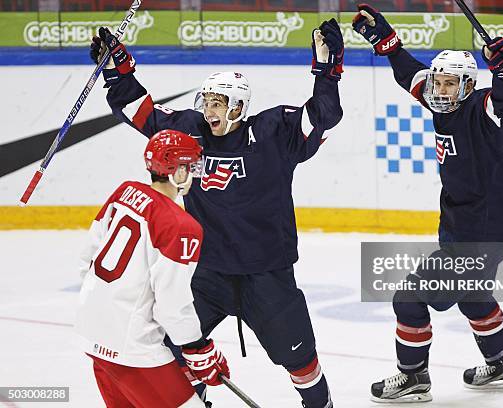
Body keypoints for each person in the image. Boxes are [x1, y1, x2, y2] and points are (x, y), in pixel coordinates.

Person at [88, 18, 344, 408]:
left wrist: (327, 72)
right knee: (172, 346)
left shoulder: (275, 133)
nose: (209, 110)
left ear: (238, 107)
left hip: (267, 272)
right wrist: (117, 68)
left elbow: (324, 115)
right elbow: (141, 113)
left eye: (218, 103)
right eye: (206, 101)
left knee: (300, 357)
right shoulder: (191, 132)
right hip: (207, 273)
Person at [352, 4, 503, 403]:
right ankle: (502, 363)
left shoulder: (483, 108)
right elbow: (408, 72)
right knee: (473, 295)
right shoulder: (439, 100)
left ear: (467, 87)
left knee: (409, 297)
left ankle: (412, 376)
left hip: (483, 231)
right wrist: (385, 40)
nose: (440, 90)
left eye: (449, 84)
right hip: (468, 226)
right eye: (438, 84)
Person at [76, 129, 230, 408]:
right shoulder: (182, 227)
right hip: (133, 347)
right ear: (176, 170)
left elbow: (87, 258)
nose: (193, 174)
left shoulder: (124, 192)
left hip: (91, 331)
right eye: (190, 166)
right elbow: (172, 305)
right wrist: (197, 348)